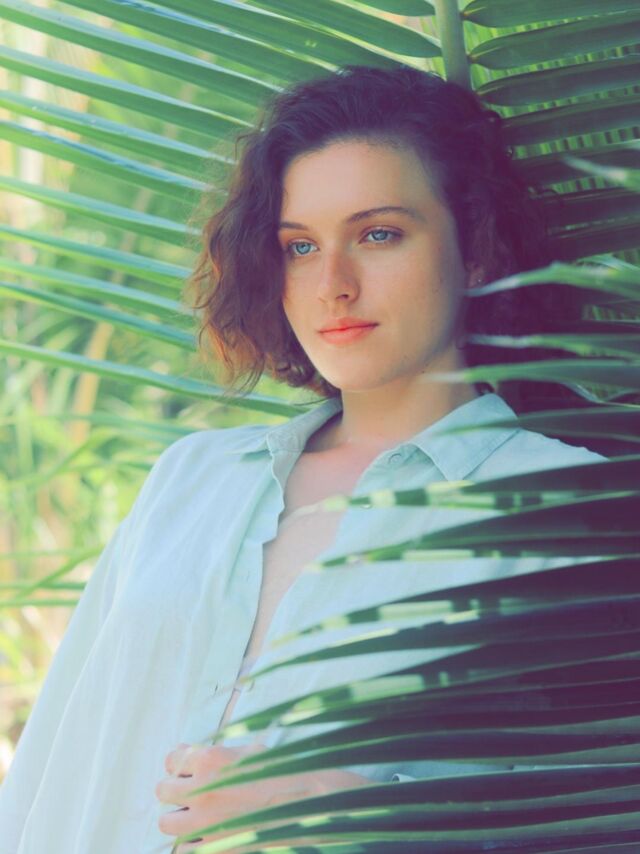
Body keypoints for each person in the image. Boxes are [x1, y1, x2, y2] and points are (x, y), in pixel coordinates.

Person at [0, 65, 607, 854]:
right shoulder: (194, 475)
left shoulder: (566, 506)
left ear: (477, 249)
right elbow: (54, 758)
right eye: (299, 246)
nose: (333, 286)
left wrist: (352, 807)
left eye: (379, 234)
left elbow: (595, 817)